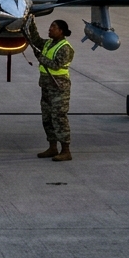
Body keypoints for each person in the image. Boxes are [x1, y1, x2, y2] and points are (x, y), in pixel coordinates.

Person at [24, 18, 75, 161]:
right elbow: (34, 38)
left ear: (61, 31)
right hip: (46, 87)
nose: (50, 29)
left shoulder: (65, 48)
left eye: (53, 27)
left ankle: (66, 150)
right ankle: (52, 147)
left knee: (59, 118)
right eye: (50, 26)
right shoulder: (47, 43)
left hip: (59, 88)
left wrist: (40, 57)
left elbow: (56, 65)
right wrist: (30, 20)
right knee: (47, 118)